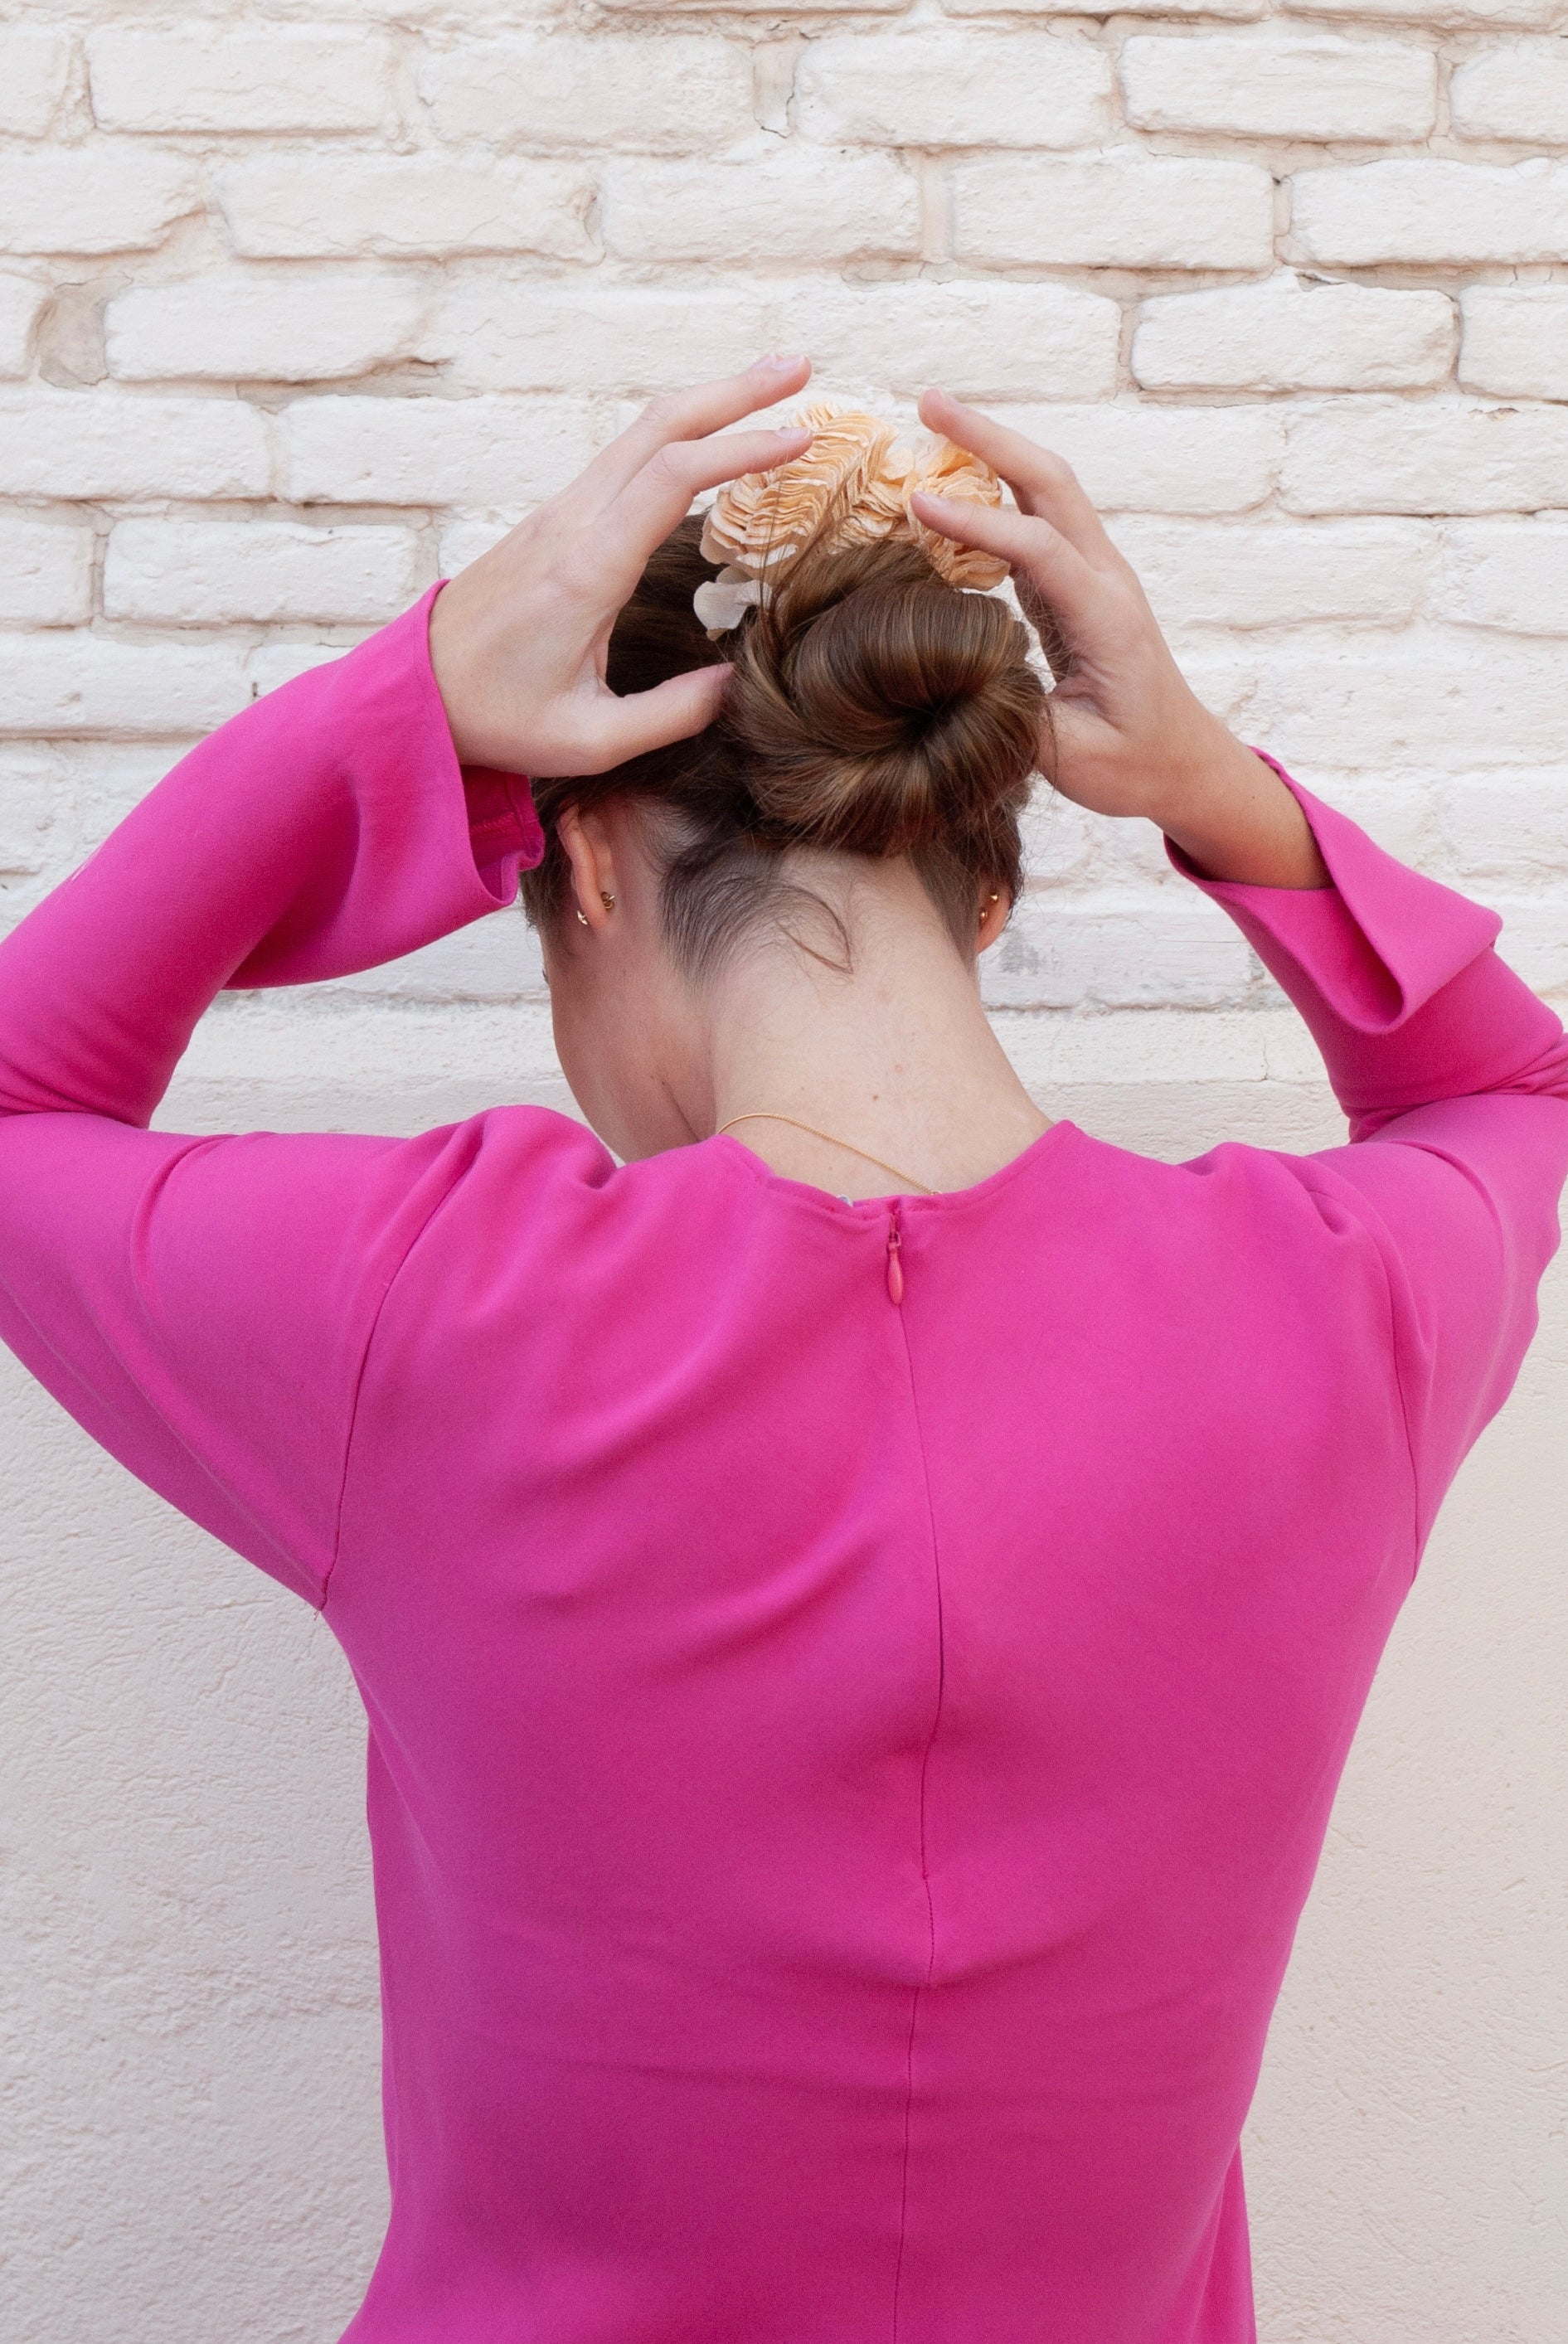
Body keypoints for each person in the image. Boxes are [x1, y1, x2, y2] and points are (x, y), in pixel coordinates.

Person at [1, 356, 1563, 2343]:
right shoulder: (1344, 1308)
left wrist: (399, 712)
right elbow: (1504, 1081)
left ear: (579, 870)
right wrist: (1200, 782)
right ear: (985, 883)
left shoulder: (425, 1307)